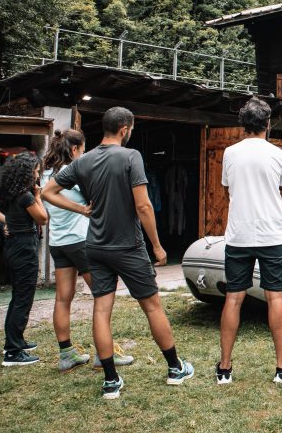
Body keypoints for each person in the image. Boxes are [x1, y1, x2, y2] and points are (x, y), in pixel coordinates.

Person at [43, 107, 194, 399]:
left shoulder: (82, 161)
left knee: (101, 309)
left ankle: (111, 381)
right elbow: (144, 206)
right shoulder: (130, 157)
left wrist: (82, 209)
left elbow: (47, 192)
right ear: (125, 129)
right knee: (152, 307)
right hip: (128, 246)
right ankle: (175, 368)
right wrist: (158, 246)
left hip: (95, 246)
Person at [217, 98, 282, 383]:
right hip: (272, 234)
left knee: (233, 298)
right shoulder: (277, 154)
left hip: (239, 234)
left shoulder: (230, 153)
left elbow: (226, 190)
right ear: (267, 123)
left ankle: (225, 368)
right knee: (274, 297)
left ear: (243, 124)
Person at [0, 152, 48, 366]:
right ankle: (13, 352)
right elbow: (43, 218)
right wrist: (38, 195)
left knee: (17, 296)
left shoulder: (9, 194)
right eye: (36, 171)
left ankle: (15, 341)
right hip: (24, 249)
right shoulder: (26, 195)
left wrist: (7, 222)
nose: (37, 175)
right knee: (23, 298)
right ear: (27, 173)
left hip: (13, 248)